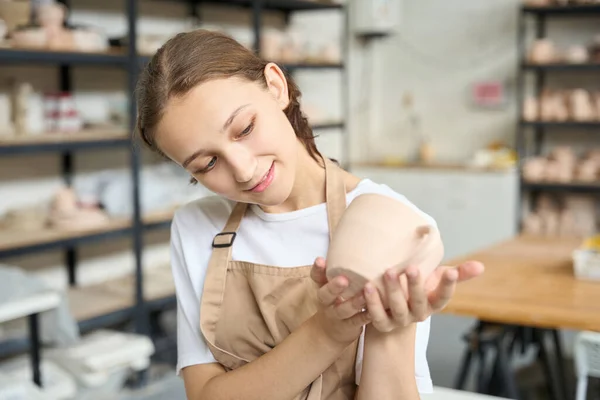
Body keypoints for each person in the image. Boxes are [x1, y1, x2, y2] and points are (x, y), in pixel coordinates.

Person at [135, 29, 484, 400]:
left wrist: (391, 330)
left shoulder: (385, 222)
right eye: (207, 164)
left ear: (275, 86)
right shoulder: (197, 227)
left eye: (245, 128)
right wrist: (326, 332)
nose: (243, 169)